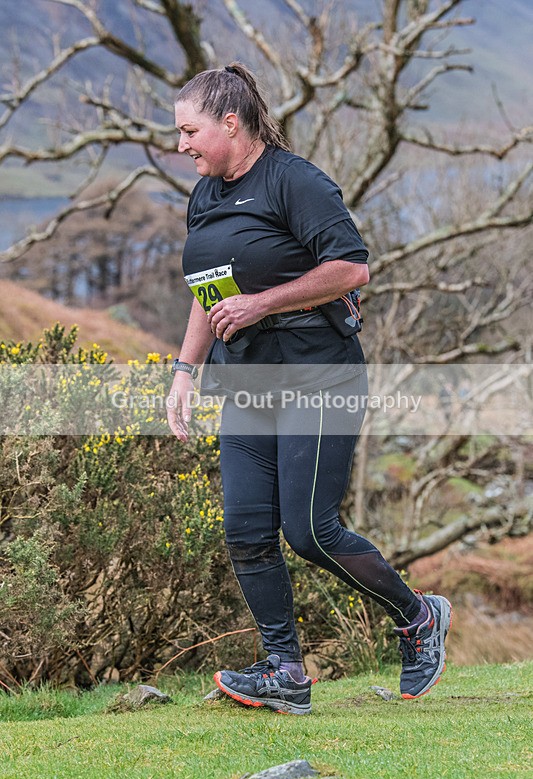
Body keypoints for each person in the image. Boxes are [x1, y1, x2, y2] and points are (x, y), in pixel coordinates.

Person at [167, 62, 451, 715]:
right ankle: (284, 671)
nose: (181, 145)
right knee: (244, 530)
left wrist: (263, 303)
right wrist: (184, 372)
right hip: (244, 383)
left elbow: (352, 267)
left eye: (190, 131)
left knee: (311, 531)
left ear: (229, 124)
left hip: (318, 374)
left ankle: (417, 619)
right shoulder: (204, 193)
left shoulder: (294, 181)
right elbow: (206, 292)